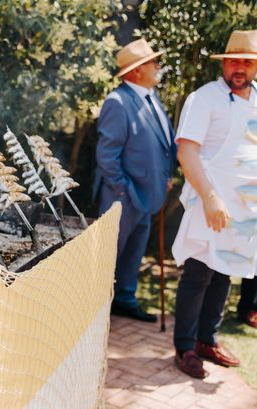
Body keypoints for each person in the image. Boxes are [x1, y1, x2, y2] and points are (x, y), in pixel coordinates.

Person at [171, 30, 257, 378]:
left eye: (247, 61)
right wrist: (209, 196)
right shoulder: (204, 98)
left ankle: (208, 339)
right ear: (224, 63)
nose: (240, 67)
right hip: (209, 200)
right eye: (234, 60)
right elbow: (186, 150)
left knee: (224, 272)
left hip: (244, 208)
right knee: (199, 273)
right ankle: (185, 347)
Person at [93, 38, 176, 322]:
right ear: (137, 70)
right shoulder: (118, 101)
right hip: (124, 196)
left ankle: (125, 300)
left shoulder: (150, 98)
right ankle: (95, 309)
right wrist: (124, 189)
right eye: (154, 62)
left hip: (148, 194)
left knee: (133, 254)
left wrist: (165, 175)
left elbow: (162, 144)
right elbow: (107, 155)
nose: (158, 67)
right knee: (109, 255)